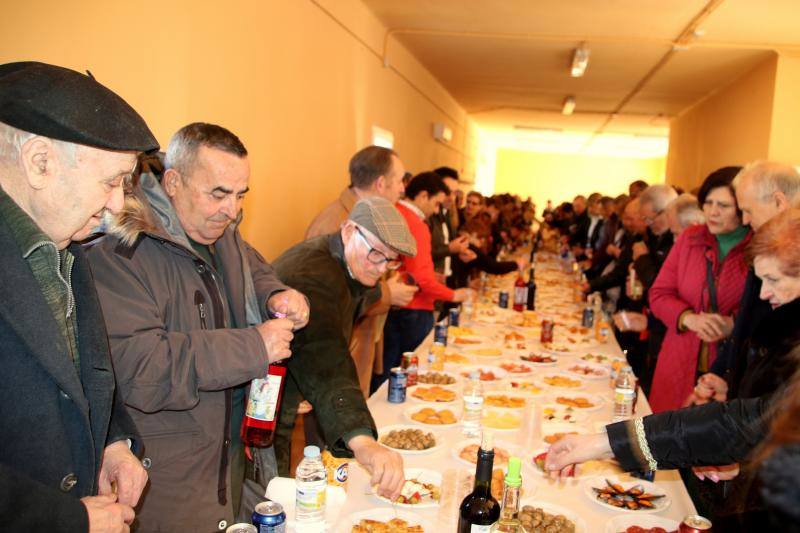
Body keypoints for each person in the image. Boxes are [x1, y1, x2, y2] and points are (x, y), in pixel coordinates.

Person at [87, 123, 308, 531]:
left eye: (241, 195)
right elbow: (141, 369)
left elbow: (253, 272)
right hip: (169, 480)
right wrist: (253, 347)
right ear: (172, 182)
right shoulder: (121, 251)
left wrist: (277, 295)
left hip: (228, 459)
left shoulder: (221, 231)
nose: (232, 209)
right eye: (219, 193)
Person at [0, 61, 157, 532]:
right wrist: (65, 520)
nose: (117, 205)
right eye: (111, 182)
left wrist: (114, 441)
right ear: (40, 161)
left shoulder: (68, 245)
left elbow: (77, 377)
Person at [271, 197, 413, 498]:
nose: (382, 269)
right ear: (348, 231)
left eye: (392, 260)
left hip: (288, 387)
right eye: (376, 254)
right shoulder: (312, 276)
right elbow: (326, 356)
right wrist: (363, 441)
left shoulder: (348, 262)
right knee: (271, 492)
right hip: (261, 405)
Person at [304, 145, 416, 395]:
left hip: (358, 345)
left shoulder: (370, 219)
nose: (402, 188)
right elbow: (331, 297)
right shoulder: (335, 224)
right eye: (399, 181)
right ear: (380, 183)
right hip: (337, 357)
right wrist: (387, 293)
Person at [691, 161, 800, 401]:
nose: (745, 220)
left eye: (748, 210)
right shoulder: (767, 243)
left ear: (779, 202)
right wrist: (728, 378)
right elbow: (748, 324)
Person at [648, 167, 751, 413]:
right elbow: (659, 293)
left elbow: (765, 309)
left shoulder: (758, 246)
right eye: (708, 202)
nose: (713, 212)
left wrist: (732, 324)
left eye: (724, 205)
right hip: (680, 355)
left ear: (743, 207)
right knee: (664, 436)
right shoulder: (690, 239)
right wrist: (687, 318)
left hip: (729, 365)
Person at [378, 172, 473, 390]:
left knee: (389, 370)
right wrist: (453, 294)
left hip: (398, 306)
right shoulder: (415, 223)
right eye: (437, 203)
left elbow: (411, 266)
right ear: (422, 196)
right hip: (414, 307)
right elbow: (420, 277)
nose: (438, 210)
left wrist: (431, 276)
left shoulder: (397, 213)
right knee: (409, 376)